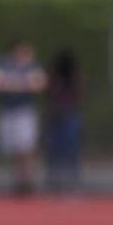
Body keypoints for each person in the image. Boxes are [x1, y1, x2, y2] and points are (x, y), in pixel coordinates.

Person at [0, 40, 47, 195]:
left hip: (24, 111)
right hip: (6, 111)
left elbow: (39, 83)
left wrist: (11, 84)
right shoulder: (2, 63)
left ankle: (26, 181)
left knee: (26, 146)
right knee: (11, 148)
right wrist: (18, 83)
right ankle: (18, 179)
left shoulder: (31, 65)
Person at [44, 48, 83, 193]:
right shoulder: (55, 77)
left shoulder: (72, 77)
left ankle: (69, 182)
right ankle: (56, 182)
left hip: (67, 115)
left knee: (69, 151)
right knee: (56, 151)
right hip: (57, 115)